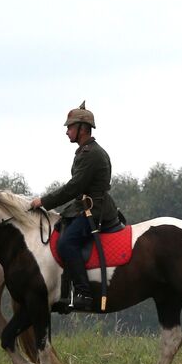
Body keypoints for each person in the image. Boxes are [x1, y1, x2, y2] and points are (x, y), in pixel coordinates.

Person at [29, 101, 120, 312]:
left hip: (94, 210)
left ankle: (84, 294)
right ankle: (63, 293)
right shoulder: (85, 151)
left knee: (66, 244)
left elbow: (73, 187)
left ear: (82, 129)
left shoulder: (91, 154)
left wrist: (43, 201)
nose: (67, 132)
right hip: (83, 206)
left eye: (70, 127)